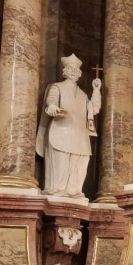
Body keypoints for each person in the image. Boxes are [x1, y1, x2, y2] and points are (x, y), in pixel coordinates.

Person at [35, 53, 102, 199]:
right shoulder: (56, 87)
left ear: (79, 73)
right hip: (61, 131)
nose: (73, 72)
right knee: (61, 162)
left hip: (79, 135)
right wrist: (52, 106)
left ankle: (74, 190)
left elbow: (94, 109)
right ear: (65, 71)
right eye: (70, 69)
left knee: (80, 162)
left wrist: (96, 91)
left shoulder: (83, 95)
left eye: (75, 70)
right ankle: (57, 189)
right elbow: (51, 100)